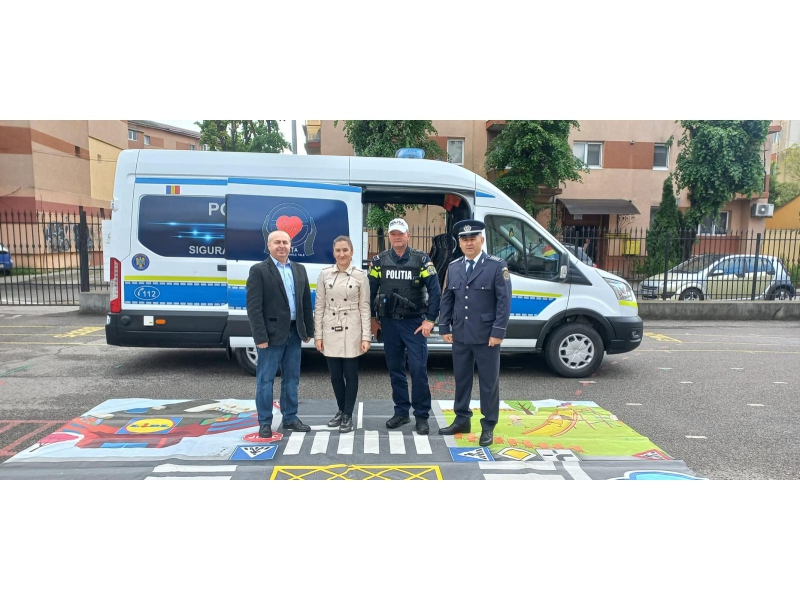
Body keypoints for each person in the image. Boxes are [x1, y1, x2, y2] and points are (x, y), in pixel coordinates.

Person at [437, 219, 512, 447]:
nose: (469, 243)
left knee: (489, 383)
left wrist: (498, 332)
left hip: (487, 336)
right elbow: (447, 298)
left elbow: (504, 301)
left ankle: (488, 426)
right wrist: (444, 326)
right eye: (464, 240)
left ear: (482, 240)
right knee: (462, 379)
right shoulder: (454, 267)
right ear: (459, 243)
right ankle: (462, 419)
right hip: (460, 334)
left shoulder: (497, 266)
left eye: (472, 239)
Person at [368, 217, 441, 435]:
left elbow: (435, 291)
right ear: (389, 236)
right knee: (395, 369)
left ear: (408, 235)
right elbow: (370, 291)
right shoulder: (379, 261)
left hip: (414, 323)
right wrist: (371, 319)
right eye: (393, 234)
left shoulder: (422, 259)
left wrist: (430, 320)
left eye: (401, 233)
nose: (397, 237)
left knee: (418, 370)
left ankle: (422, 415)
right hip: (389, 323)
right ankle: (401, 412)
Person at [246, 229, 314, 439]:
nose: (282, 246)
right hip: (271, 335)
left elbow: (305, 302)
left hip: (295, 332)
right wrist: (260, 337)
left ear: (290, 245)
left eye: (285, 242)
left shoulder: (299, 269)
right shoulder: (259, 270)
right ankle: (265, 422)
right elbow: (254, 307)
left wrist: (308, 329)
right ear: (269, 245)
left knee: (292, 378)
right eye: (277, 242)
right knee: (265, 379)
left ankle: (290, 418)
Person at [314, 235, 371, 434]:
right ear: (333, 252)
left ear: (352, 252)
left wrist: (366, 336)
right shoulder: (325, 274)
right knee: (335, 375)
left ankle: (348, 414)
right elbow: (319, 306)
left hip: (352, 326)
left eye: (345, 250)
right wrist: (318, 335)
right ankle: (341, 409)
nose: (341, 254)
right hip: (330, 326)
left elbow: (365, 307)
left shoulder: (360, 276)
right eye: (338, 250)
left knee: (350, 374)